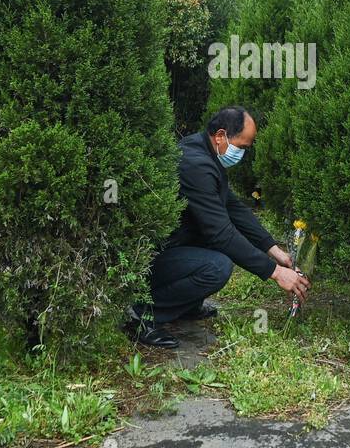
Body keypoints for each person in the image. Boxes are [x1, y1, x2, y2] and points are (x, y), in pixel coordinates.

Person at [126, 106, 310, 348]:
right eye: (242, 147)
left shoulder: (204, 150)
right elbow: (221, 233)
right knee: (218, 266)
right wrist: (275, 272)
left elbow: (233, 207)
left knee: (218, 252)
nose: (243, 154)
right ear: (221, 136)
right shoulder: (195, 165)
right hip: (151, 258)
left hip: (175, 246)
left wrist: (272, 249)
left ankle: (186, 306)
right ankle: (143, 315)